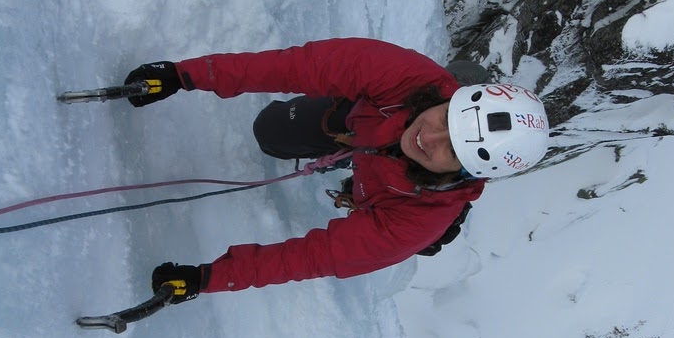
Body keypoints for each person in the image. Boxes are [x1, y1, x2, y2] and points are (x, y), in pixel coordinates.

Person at [123, 38, 549, 300]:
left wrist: (207, 279)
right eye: (446, 119)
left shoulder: (416, 222)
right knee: (270, 131)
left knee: (295, 143)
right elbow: (296, 66)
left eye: (453, 150)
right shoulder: (409, 78)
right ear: (451, 99)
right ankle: (358, 148)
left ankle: (360, 163)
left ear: (466, 172)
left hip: (388, 182)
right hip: (366, 120)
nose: (430, 138)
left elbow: (311, 258)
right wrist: (185, 75)